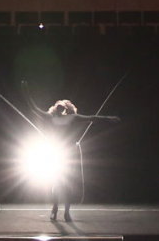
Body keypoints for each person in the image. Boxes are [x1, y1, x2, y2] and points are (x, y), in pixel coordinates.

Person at [20, 86, 120, 222]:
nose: (61, 107)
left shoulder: (73, 118)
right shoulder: (50, 118)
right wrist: (26, 92)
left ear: (66, 109)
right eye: (58, 105)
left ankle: (67, 211)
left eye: (63, 106)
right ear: (55, 108)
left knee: (68, 184)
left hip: (69, 154)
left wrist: (108, 118)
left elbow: (92, 118)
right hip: (56, 153)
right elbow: (33, 108)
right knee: (57, 182)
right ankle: (55, 208)